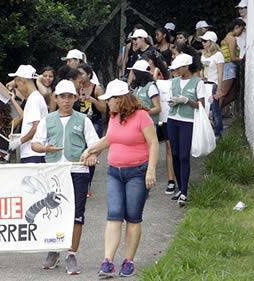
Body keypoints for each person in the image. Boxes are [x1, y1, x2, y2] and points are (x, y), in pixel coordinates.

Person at [81, 79, 159, 277]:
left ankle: (128, 260)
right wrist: (90, 149)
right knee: (114, 215)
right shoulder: (114, 116)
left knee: (133, 217)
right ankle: (107, 261)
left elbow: (153, 143)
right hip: (115, 171)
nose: (107, 103)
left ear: (121, 99)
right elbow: (109, 139)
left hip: (137, 172)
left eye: (110, 99)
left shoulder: (142, 116)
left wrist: (150, 170)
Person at [32, 79, 99, 275]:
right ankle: (54, 249)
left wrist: (92, 155)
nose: (66, 100)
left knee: (77, 214)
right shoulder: (48, 120)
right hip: (54, 172)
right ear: (56, 98)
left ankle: (71, 253)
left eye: (70, 96)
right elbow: (35, 144)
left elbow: (95, 144)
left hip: (77, 172)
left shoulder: (83, 120)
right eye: (62, 96)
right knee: (53, 211)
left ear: (75, 98)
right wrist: (46, 148)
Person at [167, 54, 207, 206]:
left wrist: (186, 101)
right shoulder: (175, 81)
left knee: (184, 156)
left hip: (188, 121)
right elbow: (172, 98)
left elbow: (201, 105)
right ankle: (180, 186)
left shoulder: (198, 82)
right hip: (173, 119)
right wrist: (172, 102)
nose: (176, 71)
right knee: (175, 154)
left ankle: (184, 191)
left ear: (186, 67)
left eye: (178, 68)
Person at [7, 65, 48, 163]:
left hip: (33, 154)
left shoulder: (34, 99)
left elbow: (36, 127)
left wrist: (20, 141)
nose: (18, 89)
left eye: (17, 86)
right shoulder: (35, 98)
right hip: (34, 153)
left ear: (22, 81)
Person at [77, 63, 106, 197]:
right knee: (79, 151)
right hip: (79, 122)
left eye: (82, 73)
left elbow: (104, 109)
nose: (79, 76)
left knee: (91, 152)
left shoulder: (97, 88)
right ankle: (79, 183)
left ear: (89, 74)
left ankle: (87, 185)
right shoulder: (76, 87)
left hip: (94, 121)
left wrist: (93, 100)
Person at [200, 31, 225, 137]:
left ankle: (218, 132)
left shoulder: (218, 55)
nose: (203, 43)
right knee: (206, 108)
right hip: (205, 83)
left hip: (213, 84)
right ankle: (210, 132)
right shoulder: (203, 54)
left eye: (205, 41)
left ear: (211, 42)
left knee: (214, 108)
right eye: (202, 41)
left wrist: (219, 89)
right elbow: (202, 69)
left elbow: (220, 72)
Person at [217, 18, 246, 110]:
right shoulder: (232, 39)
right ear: (236, 27)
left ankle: (214, 112)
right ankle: (213, 113)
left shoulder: (226, 37)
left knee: (231, 94)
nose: (241, 32)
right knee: (223, 93)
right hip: (229, 67)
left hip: (226, 66)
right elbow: (232, 57)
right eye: (241, 29)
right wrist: (242, 59)